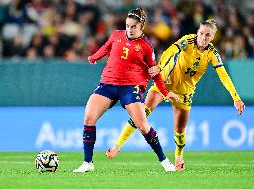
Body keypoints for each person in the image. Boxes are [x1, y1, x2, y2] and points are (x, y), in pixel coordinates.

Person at [106, 19, 246, 171]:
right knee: (141, 115)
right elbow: (171, 51)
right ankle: (116, 146)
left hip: (184, 93)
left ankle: (179, 156)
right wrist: (159, 66)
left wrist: (236, 97)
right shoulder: (188, 40)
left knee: (179, 131)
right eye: (201, 33)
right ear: (197, 32)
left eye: (208, 35)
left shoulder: (212, 53)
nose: (203, 38)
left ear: (212, 37)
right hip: (164, 84)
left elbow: (223, 75)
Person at [73, 7, 179, 173]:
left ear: (141, 27)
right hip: (108, 84)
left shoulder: (146, 47)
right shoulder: (116, 35)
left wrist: (165, 93)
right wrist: (95, 57)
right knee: (88, 118)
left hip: (130, 87)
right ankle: (88, 163)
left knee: (143, 126)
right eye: (127, 25)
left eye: (133, 27)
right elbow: (106, 47)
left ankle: (165, 161)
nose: (129, 29)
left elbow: (154, 72)